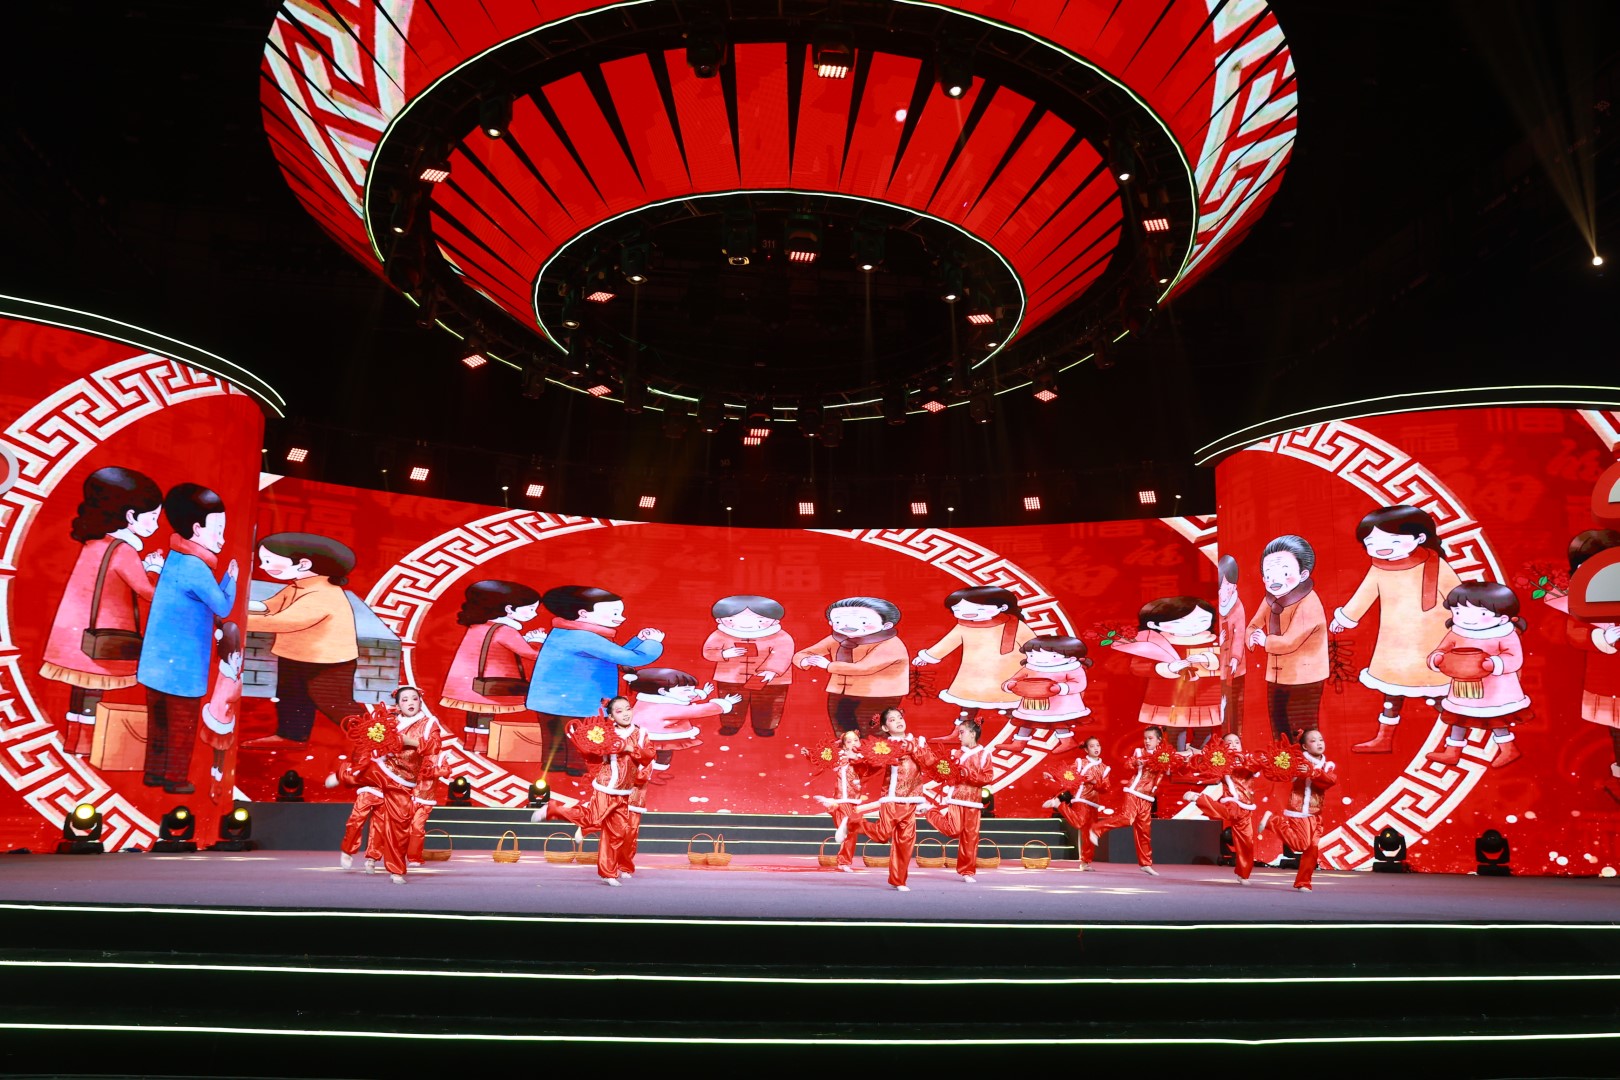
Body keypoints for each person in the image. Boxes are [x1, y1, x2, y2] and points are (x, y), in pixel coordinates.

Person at [39, 466, 164, 756]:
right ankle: (86, 744)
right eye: (153, 517)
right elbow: (148, 593)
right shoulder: (124, 550)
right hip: (103, 637)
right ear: (131, 516)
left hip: (74, 637)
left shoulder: (94, 542)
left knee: (80, 692)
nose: (156, 525)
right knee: (92, 694)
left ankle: (74, 741)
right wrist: (155, 569)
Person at [1326, 506, 1462, 754]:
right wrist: (1345, 618)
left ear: (1420, 538)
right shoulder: (1379, 568)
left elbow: (1458, 599)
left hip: (1432, 641)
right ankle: (1383, 739)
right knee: (1391, 693)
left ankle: (1458, 741)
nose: (1381, 548)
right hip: (1393, 644)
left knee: (1437, 694)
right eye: (1371, 542)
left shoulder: (1437, 566)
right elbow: (1364, 595)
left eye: (1393, 540)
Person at [137, 483, 237, 795]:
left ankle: (154, 773)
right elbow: (222, 606)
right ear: (196, 529)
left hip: (155, 663)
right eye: (218, 530)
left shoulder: (176, 557)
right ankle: (175, 778)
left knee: (159, 724)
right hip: (182, 668)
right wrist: (231, 579)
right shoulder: (196, 566)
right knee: (181, 727)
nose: (222, 538)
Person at [525, 586, 664, 775]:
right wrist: (653, 643)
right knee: (585, 738)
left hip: (549, 700)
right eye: (614, 613)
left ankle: (555, 766)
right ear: (583, 613)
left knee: (556, 737)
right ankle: (579, 770)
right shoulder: (585, 637)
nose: (621, 618)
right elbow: (630, 658)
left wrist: (638, 641)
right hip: (579, 703)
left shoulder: (564, 632)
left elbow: (611, 654)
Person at [242, 532, 361, 747]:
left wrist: (239, 619)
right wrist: (239, 606)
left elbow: (284, 621)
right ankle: (291, 737)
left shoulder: (323, 594)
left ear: (304, 564)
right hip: (294, 655)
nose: (262, 566)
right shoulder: (298, 586)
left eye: (268, 561)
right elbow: (269, 606)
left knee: (335, 704)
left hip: (327, 662)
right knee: (292, 699)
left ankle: (376, 739)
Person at [325, 687, 443, 884]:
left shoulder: (429, 723)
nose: (410, 702)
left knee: (399, 827)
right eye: (405, 700)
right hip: (381, 768)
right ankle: (342, 775)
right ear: (398, 705)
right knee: (357, 807)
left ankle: (396, 871)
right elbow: (369, 743)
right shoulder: (390, 721)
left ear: (420, 702)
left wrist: (409, 741)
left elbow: (435, 746)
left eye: (414, 699)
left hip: (403, 780)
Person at [532, 697, 655, 885]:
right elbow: (592, 753)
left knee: (617, 833)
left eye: (627, 709)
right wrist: (605, 747)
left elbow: (649, 755)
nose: (625, 713)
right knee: (591, 819)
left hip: (625, 791)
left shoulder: (641, 734)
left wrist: (630, 748)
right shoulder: (603, 733)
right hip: (606, 786)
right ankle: (553, 809)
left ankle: (608, 873)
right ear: (611, 716)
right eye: (619, 711)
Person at [1423, 582, 1531, 770]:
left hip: (1496, 690)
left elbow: (1514, 658)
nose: (1466, 619)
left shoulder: (1505, 634)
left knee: (1496, 719)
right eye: (1458, 611)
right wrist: (1437, 658)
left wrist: (1494, 664)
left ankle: (1508, 749)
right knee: (1458, 718)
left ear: (1502, 617)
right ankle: (1452, 751)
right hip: (1462, 687)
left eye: (1480, 614)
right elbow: (1442, 649)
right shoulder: (1457, 632)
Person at [437, 579, 545, 755]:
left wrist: (526, 639)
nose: (535, 614)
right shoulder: (505, 630)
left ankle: (471, 745)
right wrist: (537, 640)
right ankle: (482, 747)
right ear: (509, 609)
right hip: (489, 684)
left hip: (468, 683)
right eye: (531, 609)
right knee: (484, 717)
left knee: (474, 715)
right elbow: (531, 654)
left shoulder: (479, 625)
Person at [1553, 531, 1620, 786]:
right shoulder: (1582, 603)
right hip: (1606, 677)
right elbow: (1575, 634)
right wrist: (1602, 637)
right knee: (1616, 728)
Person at [912, 586, 1034, 726]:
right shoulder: (963, 626)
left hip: (1006, 674)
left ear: (1003, 607)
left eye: (979, 609)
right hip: (971, 675)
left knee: (1009, 704)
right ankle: (961, 729)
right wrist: (926, 657)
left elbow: (1032, 646)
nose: (968, 613)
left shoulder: (1016, 626)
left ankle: (1021, 729)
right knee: (968, 704)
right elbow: (947, 643)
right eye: (958, 609)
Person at [1247, 534, 1329, 737]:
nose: (1275, 580)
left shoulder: (1309, 601)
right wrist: (1250, 635)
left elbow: (1292, 641)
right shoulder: (1270, 599)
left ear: (1303, 574)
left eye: (1284, 573)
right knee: (1279, 727)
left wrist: (1265, 640)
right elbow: (1255, 622)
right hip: (1276, 674)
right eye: (1268, 574)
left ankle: (1304, 757)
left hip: (1305, 676)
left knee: (1301, 729)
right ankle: (1282, 757)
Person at [1115, 596, 1222, 749]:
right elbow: (1138, 666)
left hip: (1205, 695)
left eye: (1202, 620)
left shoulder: (1215, 641)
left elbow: (1228, 662)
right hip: (1169, 696)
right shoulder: (1155, 644)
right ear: (1153, 624)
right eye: (1179, 622)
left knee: (1204, 730)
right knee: (1175, 730)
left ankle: (1196, 753)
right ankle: (1177, 756)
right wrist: (1168, 668)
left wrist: (1208, 658)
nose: (1193, 626)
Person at [849, 707, 937, 891]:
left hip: (912, 799)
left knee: (905, 842)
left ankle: (898, 880)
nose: (898, 721)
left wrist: (913, 748)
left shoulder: (918, 742)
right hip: (892, 797)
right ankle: (853, 824)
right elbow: (871, 768)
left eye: (899, 717)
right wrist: (857, 760)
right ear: (885, 727)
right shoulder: (884, 746)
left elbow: (930, 762)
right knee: (882, 835)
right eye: (892, 719)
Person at [794, 597, 908, 736]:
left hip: (878, 694)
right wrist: (805, 660)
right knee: (844, 732)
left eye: (863, 622)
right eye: (838, 621)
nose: (847, 625)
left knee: (873, 732)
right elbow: (804, 653)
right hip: (840, 692)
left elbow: (864, 668)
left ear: (886, 625)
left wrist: (828, 665)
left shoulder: (891, 644)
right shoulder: (838, 638)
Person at [701, 595, 794, 737]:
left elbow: (783, 654)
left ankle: (765, 727)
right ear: (719, 620)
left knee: (767, 704)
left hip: (770, 680)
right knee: (732, 701)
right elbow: (708, 651)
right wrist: (724, 653)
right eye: (732, 620)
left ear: (775, 620)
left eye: (760, 620)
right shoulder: (720, 634)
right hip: (731, 677)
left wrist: (771, 670)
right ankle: (731, 725)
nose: (746, 624)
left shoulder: (781, 636)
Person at [625, 667, 739, 784]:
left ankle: (650, 772)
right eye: (687, 690)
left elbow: (679, 698)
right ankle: (650, 775)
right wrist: (723, 704)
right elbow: (696, 711)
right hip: (656, 736)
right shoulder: (667, 708)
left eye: (693, 690)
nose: (692, 693)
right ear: (663, 691)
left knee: (653, 755)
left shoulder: (649, 700)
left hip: (646, 734)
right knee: (661, 756)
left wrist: (701, 694)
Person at [1088, 725, 1173, 876]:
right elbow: (1127, 764)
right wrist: (1136, 763)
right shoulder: (1139, 752)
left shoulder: (1164, 756)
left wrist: (1169, 766)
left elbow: (1167, 772)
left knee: (1144, 831)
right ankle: (1097, 828)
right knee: (1128, 818)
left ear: (1159, 740)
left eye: (1150, 738)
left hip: (1148, 797)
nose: (1147, 741)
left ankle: (1146, 863)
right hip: (1134, 791)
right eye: (1145, 738)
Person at [1179, 732, 1260, 883]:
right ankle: (1199, 799)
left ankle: (1243, 874)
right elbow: (1204, 761)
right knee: (1230, 812)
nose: (1234, 745)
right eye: (1229, 743)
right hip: (1231, 802)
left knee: (1247, 844)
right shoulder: (1221, 761)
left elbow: (1257, 767)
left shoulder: (1249, 760)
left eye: (1237, 742)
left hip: (1246, 807)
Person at [922, 718, 995, 882]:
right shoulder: (955, 754)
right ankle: (930, 810)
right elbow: (943, 772)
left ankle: (967, 871)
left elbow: (988, 777)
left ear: (973, 733)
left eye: (962, 732)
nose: (959, 736)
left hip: (973, 801)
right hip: (956, 798)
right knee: (953, 830)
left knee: (971, 837)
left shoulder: (984, 754)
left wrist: (968, 774)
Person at [1268, 727, 1337, 891]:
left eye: (1321, 740)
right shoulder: (1298, 762)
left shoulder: (1327, 765)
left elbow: (1329, 782)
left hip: (1316, 813)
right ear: (1305, 746)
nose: (1319, 743)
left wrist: (1312, 772)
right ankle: (1274, 821)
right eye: (1313, 741)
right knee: (1302, 845)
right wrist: (1294, 770)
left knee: (1312, 850)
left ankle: (1303, 882)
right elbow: (1286, 775)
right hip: (1298, 810)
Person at [1003, 635, 1092, 751]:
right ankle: (1018, 743)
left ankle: (1068, 742)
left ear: (1071, 658)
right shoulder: (1030, 668)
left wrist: (1060, 688)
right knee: (1026, 721)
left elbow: (1079, 684)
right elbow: (1015, 679)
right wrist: (1010, 685)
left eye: (1053, 656)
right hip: (1031, 703)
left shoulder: (1073, 668)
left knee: (1059, 722)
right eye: (1031, 655)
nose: (1039, 659)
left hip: (1061, 704)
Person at [1040, 736, 1113, 870]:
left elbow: (1106, 788)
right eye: (1092, 746)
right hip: (1081, 798)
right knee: (1079, 823)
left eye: (1097, 745)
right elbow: (1068, 774)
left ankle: (1085, 862)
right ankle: (1058, 804)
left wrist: (1094, 781)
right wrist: (1053, 776)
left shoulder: (1105, 768)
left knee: (1089, 833)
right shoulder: (1080, 763)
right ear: (1086, 749)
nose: (1096, 748)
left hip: (1093, 802)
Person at [197, 621, 243, 797]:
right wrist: (240, 680)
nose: (239, 661)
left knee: (219, 750)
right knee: (221, 750)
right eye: (237, 657)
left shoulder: (225, 670)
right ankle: (217, 776)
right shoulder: (229, 677)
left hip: (218, 716)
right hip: (221, 719)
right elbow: (232, 695)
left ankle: (216, 774)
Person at [812, 729, 867, 871]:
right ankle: (843, 861)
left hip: (854, 800)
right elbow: (822, 759)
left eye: (856, 740)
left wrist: (855, 756)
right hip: (842, 800)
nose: (853, 743)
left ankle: (843, 861)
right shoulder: (840, 757)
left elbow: (867, 768)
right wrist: (809, 755)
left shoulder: (862, 757)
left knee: (851, 832)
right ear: (844, 745)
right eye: (849, 741)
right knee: (850, 831)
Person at [1216, 555, 1248, 738]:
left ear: (1234, 587)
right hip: (1217, 666)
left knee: (1235, 702)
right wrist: (1218, 642)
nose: (1223, 592)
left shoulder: (1237, 606)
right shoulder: (1212, 608)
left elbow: (1240, 634)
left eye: (1227, 587)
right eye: (1220, 588)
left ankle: (1235, 738)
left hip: (1236, 666)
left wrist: (1236, 657)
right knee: (1219, 703)